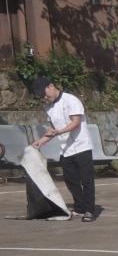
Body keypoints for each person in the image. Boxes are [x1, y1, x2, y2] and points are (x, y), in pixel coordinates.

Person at [30, 77, 97, 222]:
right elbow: (53, 129)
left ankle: (89, 210)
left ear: (51, 86)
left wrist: (59, 132)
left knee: (86, 180)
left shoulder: (71, 100)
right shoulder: (49, 108)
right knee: (70, 179)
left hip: (82, 146)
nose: (45, 97)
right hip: (66, 149)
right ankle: (79, 207)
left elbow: (75, 122)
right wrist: (41, 141)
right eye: (42, 96)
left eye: (45, 93)